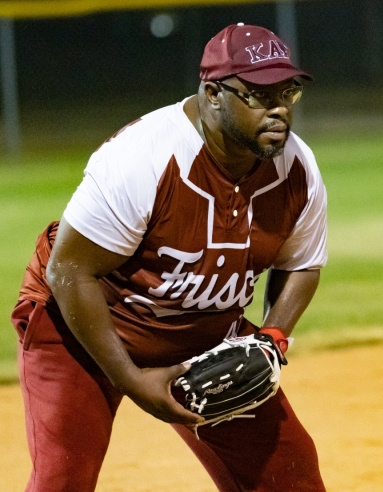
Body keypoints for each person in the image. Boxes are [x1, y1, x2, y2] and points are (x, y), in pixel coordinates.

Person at [11, 23, 328, 491]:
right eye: (259, 95)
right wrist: (132, 380)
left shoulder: (296, 169)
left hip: (203, 333)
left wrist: (272, 336)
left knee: (290, 474)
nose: (280, 108)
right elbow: (69, 271)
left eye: (289, 91)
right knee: (64, 478)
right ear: (214, 93)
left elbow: (302, 263)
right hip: (81, 328)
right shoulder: (143, 157)